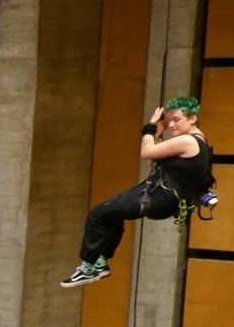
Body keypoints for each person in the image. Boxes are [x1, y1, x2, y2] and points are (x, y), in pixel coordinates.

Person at [63, 95, 214, 286]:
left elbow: (147, 153)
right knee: (112, 214)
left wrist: (151, 126)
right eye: (168, 121)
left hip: (160, 198)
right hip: (162, 196)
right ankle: (100, 263)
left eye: (177, 120)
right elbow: (154, 158)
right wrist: (159, 132)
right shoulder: (196, 140)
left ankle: (87, 268)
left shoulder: (188, 141)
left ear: (192, 118)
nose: (172, 125)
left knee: (97, 214)